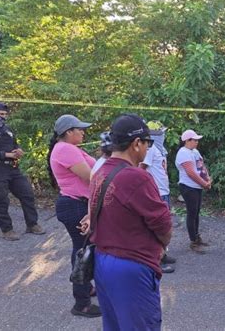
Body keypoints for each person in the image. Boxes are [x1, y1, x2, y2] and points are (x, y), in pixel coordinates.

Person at [90, 114, 172, 331]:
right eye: (148, 143)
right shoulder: (137, 177)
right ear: (137, 143)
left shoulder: (101, 171)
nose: (147, 149)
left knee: (115, 325)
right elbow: (162, 223)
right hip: (131, 264)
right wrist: (162, 245)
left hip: (102, 260)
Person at [46, 114, 101, 318]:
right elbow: (90, 176)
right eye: (79, 129)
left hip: (78, 204)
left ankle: (85, 288)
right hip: (75, 206)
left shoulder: (71, 148)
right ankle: (82, 304)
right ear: (68, 132)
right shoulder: (65, 149)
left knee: (83, 248)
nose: (83, 132)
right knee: (82, 252)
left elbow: (94, 169)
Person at [0, 101, 44, 241]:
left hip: (13, 168)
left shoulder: (7, 128)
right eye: (0, 114)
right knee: (1, 200)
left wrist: (18, 150)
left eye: (5, 114)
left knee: (27, 194)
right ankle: (7, 230)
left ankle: (32, 224)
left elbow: (15, 143)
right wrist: (6, 155)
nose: (3, 117)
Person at [140, 121, 176, 273]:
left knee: (165, 224)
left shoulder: (159, 149)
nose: (163, 135)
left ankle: (163, 253)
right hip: (157, 193)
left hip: (163, 191)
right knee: (158, 226)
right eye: (161, 132)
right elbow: (142, 168)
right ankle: (156, 260)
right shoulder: (150, 149)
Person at [175, 129, 212, 254]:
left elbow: (201, 166)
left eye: (197, 140)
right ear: (187, 141)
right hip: (188, 186)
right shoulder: (183, 153)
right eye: (194, 140)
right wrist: (204, 184)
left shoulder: (194, 151)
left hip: (197, 186)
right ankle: (193, 241)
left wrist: (208, 179)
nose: (197, 142)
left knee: (196, 213)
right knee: (192, 214)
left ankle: (197, 237)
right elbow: (191, 173)